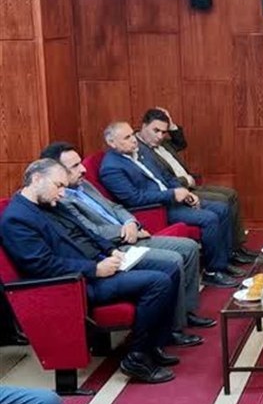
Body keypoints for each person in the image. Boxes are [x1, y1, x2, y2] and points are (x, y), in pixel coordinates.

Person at [0, 160, 180, 383]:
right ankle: (137, 357)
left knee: (170, 268)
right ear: (37, 179)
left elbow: (86, 232)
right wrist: (94, 269)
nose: (62, 192)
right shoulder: (16, 218)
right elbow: (41, 265)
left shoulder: (50, 203)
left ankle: (153, 345)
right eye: (58, 185)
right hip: (74, 284)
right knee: (158, 282)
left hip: (95, 265)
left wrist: (111, 250)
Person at [40, 141, 218, 343]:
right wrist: (124, 232)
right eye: (74, 166)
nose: (82, 169)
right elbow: (90, 231)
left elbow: (115, 207)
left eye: (80, 163)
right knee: (174, 259)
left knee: (190, 247)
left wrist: (131, 222)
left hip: (131, 233)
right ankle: (174, 328)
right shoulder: (61, 199)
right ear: (56, 172)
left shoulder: (83, 185)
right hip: (115, 245)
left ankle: (186, 311)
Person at [98, 122, 241, 287]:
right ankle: (213, 271)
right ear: (112, 143)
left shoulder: (140, 153)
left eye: (132, 134)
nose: (133, 139)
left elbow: (165, 177)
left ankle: (224, 260)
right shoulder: (111, 167)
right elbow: (134, 199)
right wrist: (172, 194)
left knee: (221, 208)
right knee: (209, 218)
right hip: (156, 210)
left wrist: (183, 191)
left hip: (172, 199)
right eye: (127, 137)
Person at [136, 108, 255, 265]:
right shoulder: (140, 150)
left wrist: (171, 125)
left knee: (231, 194)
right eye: (156, 130)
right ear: (144, 126)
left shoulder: (161, 141)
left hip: (189, 185)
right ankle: (227, 254)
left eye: (163, 132)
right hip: (180, 189)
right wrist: (185, 183)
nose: (159, 136)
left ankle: (236, 247)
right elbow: (162, 181)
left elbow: (181, 143)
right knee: (222, 201)